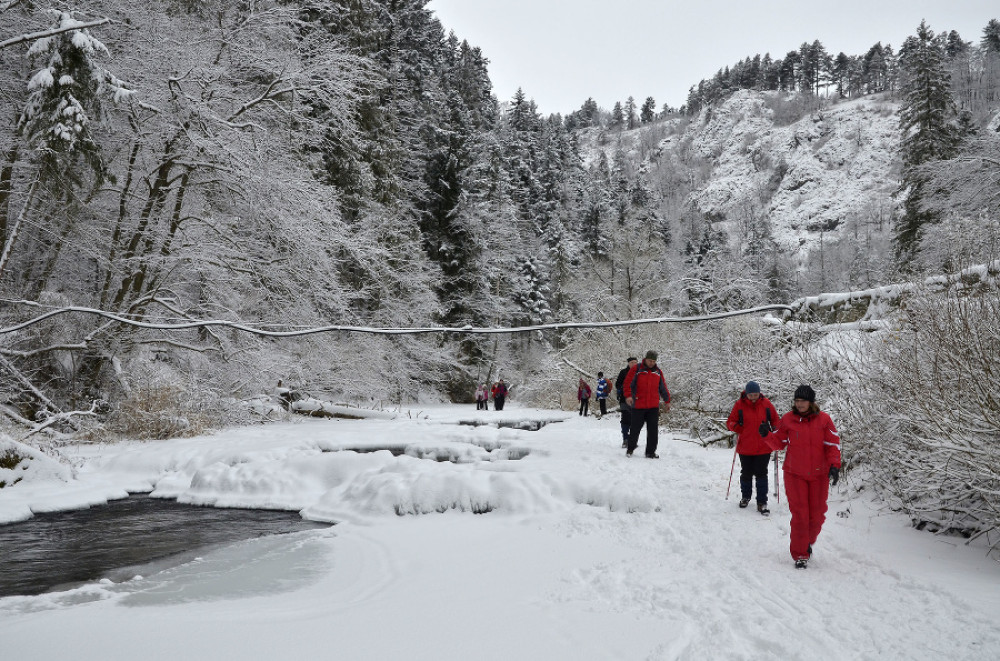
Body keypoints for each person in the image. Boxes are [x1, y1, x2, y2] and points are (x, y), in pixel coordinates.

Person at [763, 384, 841, 569]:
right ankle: (800, 554)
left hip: (819, 475)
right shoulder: (788, 419)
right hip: (794, 474)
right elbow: (778, 443)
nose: (799, 404)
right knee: (800, 515)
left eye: (803, 401)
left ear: (811, 402)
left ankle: (807, 541)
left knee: (817, 515)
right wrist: (766, 435)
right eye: (797, 401)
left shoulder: (824, 420)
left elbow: (833, 444)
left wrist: (834, 466)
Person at [726, 381, 780, 515]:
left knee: (761, 473)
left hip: (764, 446)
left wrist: (775, 430)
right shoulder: (739, 405)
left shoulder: (766, 404)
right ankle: (746, 496)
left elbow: (775, 420)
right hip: (745, 446)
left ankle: (762, 501)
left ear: (759, 393)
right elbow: (730, 421)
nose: (753, 397)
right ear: (746, 394)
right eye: (751, 395)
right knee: (746, 473)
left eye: (755, 394)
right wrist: (735, 427)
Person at [623, 350, 671, 458]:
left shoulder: (658, 372)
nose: (651, 363)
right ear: (646, 359)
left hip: (653, 406)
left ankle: (650, 452)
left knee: (653, 431)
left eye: (654, 361)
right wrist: (629, 396)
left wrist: (667, 401)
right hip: (638, 405)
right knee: (635, 429)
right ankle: (630, 449)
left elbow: (663, 387)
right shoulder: (637, 369)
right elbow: (627, 383)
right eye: (650, 360)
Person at [615, 357, 638, 448]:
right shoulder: (623, 372)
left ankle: (632, 440)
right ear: (628, 363)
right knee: (625, 419)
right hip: (624, 399)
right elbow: (617, 384)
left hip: (637, 400)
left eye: (635, 362)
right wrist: (624, 388)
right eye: (632, 362)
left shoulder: (640, 372)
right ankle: (625, 439)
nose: (634, 364)